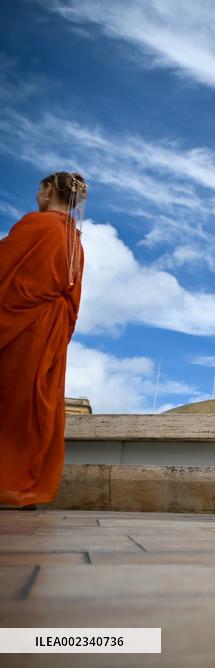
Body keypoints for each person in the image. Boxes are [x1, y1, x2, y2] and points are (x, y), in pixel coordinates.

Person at [0, 172, 86, 509]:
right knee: (38, 405)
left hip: (22, 330)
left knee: (10, 405)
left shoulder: (37, 225)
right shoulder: (73, 239)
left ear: (48, 191)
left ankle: (9, 481)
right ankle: (26, 485)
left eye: (40, 189)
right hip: (51, 333)